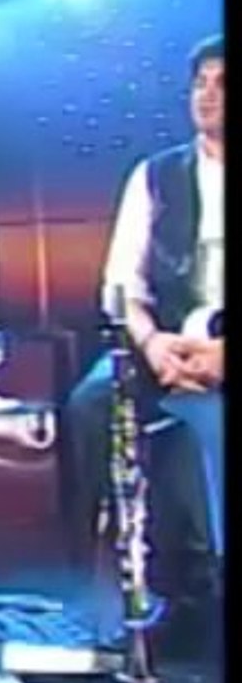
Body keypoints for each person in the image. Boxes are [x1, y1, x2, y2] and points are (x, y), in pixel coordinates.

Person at [60, 34, 224, 645]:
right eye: (199, 84)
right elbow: (122, 285)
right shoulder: (156, 176)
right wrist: (153, 343)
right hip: (166, 342)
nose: (207, 97)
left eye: (222, 84)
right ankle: (151, 578)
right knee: (92, 404)